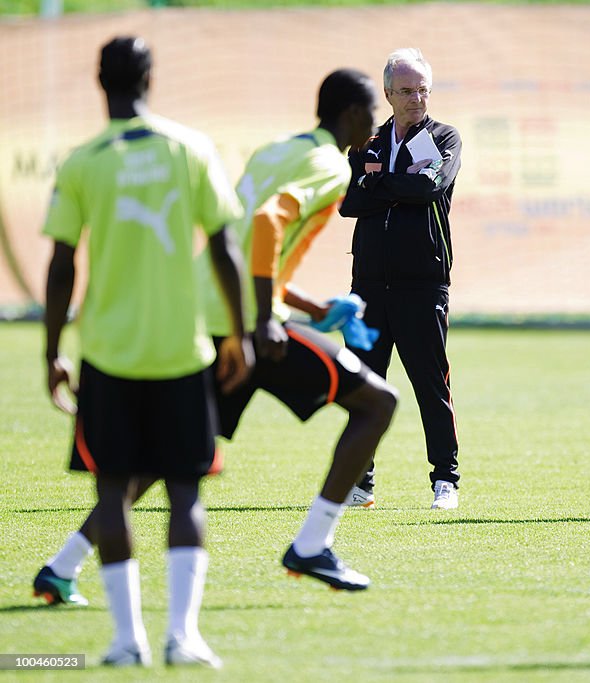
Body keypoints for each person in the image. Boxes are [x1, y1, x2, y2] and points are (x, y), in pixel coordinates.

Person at [33, 68, 398, 604]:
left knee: (165, 460)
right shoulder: (329, 166)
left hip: (212, 317)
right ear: (350, 115)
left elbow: (246, 235)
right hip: (248, 327)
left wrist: (305, 305)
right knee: (378, 403)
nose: (377, 123)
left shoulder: (276, 151)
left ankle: (61, 567)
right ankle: (313, 544)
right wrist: (267, 319)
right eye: (373, 112)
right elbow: (271, 224)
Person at [42, 36, 253, 667]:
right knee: (185, 492)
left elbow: (59, 265)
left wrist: (52, 351)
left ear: (98, 81)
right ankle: (183, 638)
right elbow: (224, 246)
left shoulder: (82, 161)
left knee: (111, 494)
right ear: (150, 78)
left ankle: (125, 640)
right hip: (181, 352)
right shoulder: (189, 149)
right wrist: (239, 334)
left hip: (105, 356)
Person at [340, 47, 463, 510]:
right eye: (407, 91)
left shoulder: (445, 137)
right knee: (363, 384)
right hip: (369, 287)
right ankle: (361, 482)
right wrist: (396, 183)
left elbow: (429, 185)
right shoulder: (368, 142)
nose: (417, 98)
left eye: (423, 90)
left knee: (430, 384)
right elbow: (349, 202)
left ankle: (445, 480)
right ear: (389, 93)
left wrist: (380, 185)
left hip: (422, 283)